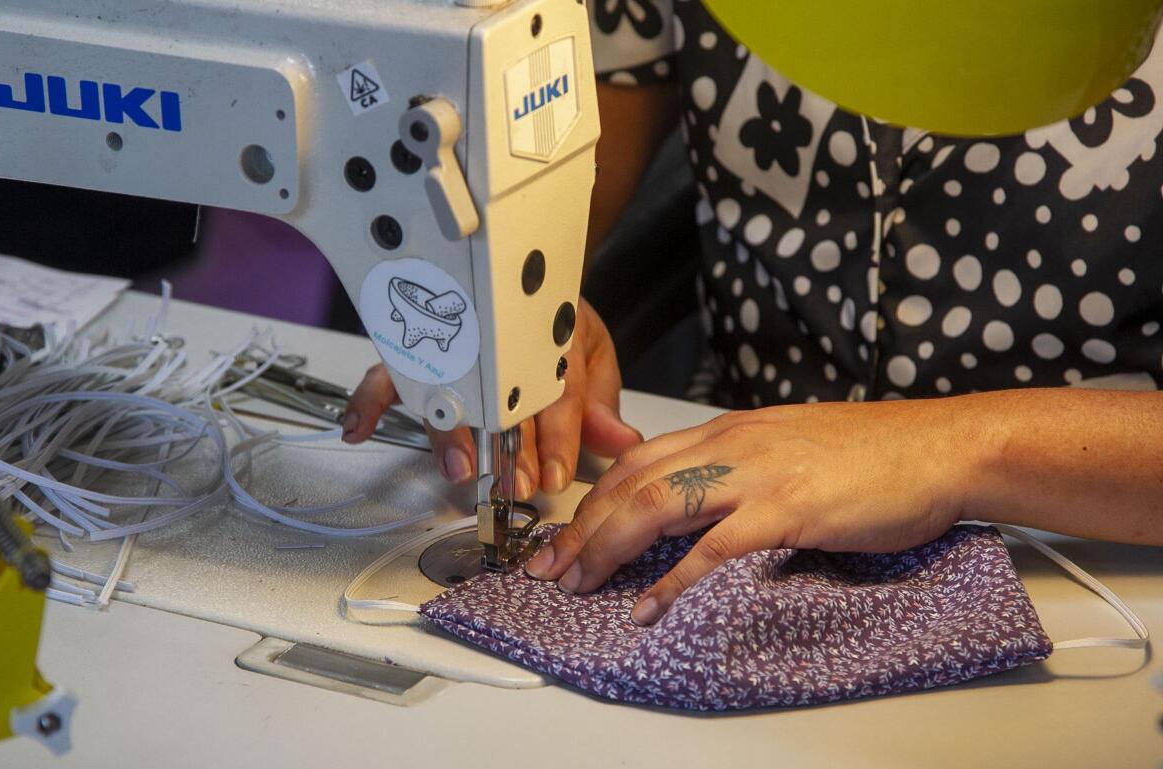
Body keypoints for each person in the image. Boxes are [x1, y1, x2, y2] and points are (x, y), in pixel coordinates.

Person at [343, 1, 1163, 626]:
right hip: (730, 493)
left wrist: (955, 447)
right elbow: (545, 161)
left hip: (1090, 547)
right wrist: (510, 307)